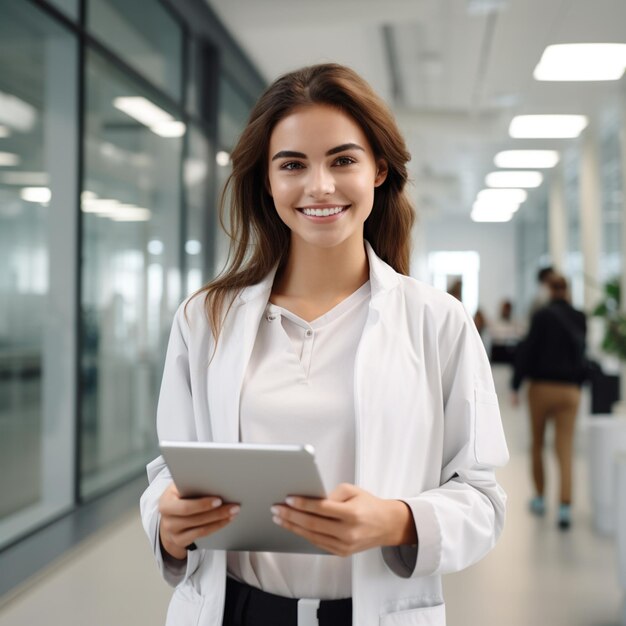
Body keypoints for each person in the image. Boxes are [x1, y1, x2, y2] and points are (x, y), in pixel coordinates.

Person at [140, 63, 509, 626]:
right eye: (293, 165)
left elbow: (482, 499)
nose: (320, 186)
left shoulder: (438, 321)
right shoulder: (205, 317)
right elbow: (171, 470)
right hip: (235, 611)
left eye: (342, 160)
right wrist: (167, 525)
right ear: (267, 180)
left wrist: (396, 521)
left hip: (372, 611)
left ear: (379, 169)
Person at [511, 273, 587, 530]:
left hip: (541, 387)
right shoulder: (580, 317)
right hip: (570, 391)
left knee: (537, 444)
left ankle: (540, 499)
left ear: (548, 290)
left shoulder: (542, 316)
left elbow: (528, 350)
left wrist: (515, 384)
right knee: (565, 448)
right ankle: (565, 506)